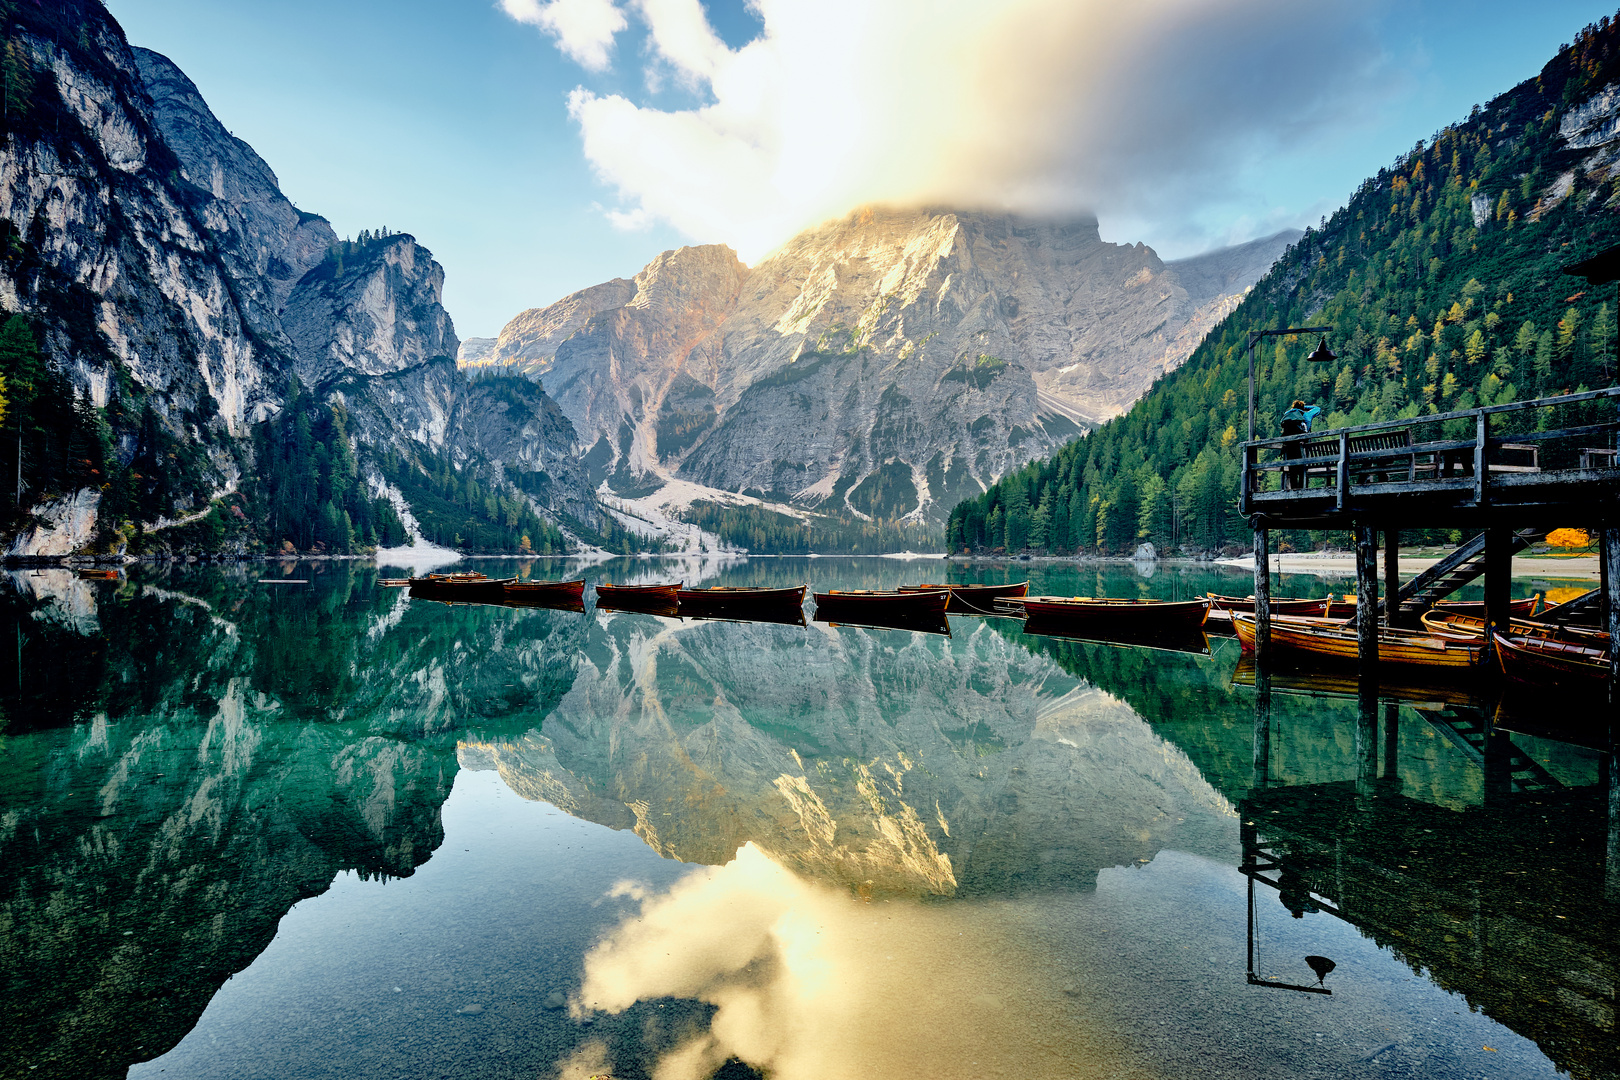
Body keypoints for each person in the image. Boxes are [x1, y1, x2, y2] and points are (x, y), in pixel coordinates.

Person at [1279, 399, 1322, 489]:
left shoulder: (1288, 414)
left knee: (1292, 468)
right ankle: (1303, 488)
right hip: (1302, 445)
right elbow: (1317, 409)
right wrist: (1304, 408)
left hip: (1289, 445)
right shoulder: (1306, 415)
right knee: (1302, 467)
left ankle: (1294, 489)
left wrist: (1295, 408)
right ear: (1302, 407)